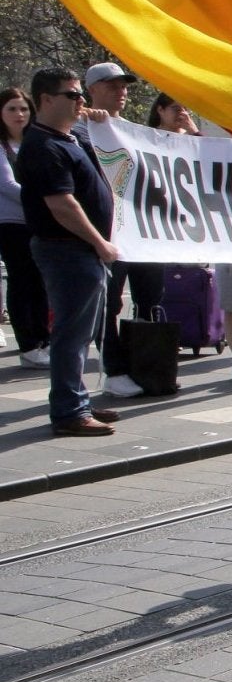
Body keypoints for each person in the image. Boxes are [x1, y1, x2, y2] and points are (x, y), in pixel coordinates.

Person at [15, 67, 120, 435]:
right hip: (67, 249)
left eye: (81, 95)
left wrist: (99, 120)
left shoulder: (69, 136)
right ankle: (69, 411)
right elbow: (63, 205)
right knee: (71, 333)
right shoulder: (42, 146)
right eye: (72, 95)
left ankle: (78, 400)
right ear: (45, 100)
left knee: (84, 331)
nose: (81, 102)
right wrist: (99, 242)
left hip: (80, 251)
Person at [77, 61, 165, 400]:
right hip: (109, 232)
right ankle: (114, 369)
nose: (121, 91)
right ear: (93, 89)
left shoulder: (130, 128)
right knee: (108, 303)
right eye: (112, 85)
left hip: (141, 231)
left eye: (124, 85)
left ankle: (146, 362)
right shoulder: (83, 127)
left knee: (149, 297)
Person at [1, 85, 51, 367]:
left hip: (40, 222)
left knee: (42, 282)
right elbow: (8, 185)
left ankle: (44, 340)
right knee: (22, 281)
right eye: (11, 109)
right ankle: (29, 345)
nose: (19, 114)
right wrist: (44, 200)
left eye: (23, 108)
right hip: (12, 224)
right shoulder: (2, 146)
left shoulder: (36, 141)